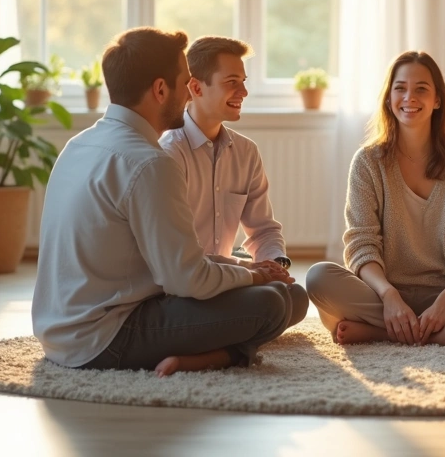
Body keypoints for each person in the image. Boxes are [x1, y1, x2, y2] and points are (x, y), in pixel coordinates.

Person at [32, 27, 298, 377]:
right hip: (105, 335)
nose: (189, 94)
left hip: (59, 332)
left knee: (283, 297)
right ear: (161, 90)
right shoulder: (151, 162)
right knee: (269, 303)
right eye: (184, 82)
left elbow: (177, 268)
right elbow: (186, 281)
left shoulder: (78, 145)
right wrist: (254, 277)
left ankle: (220, 348)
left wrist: (253, 269)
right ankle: (221, 356)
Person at [305, 51, 445, 346]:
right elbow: (361, 244)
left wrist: (444, 302)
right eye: (400, 88)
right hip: (382, 294)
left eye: (421, 89)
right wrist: (389, 296)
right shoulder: (367, 161)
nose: (409, 97)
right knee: (318, 278)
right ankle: (440, 334)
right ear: (389, 98)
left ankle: (379, 332)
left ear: (438, 100)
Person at [159, 35, 308, 327]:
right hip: (183, 286)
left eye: (244, 81)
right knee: (271, 304)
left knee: (295, 297)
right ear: (196, 87)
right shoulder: (169, 153)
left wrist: (276, 266)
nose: (244, 91)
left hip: (230, 279)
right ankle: (227, 347)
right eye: (232, 82)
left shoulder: (246, 151)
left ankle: (227, 338)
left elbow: (263, 230)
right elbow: (180, 258)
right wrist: (251, 270)